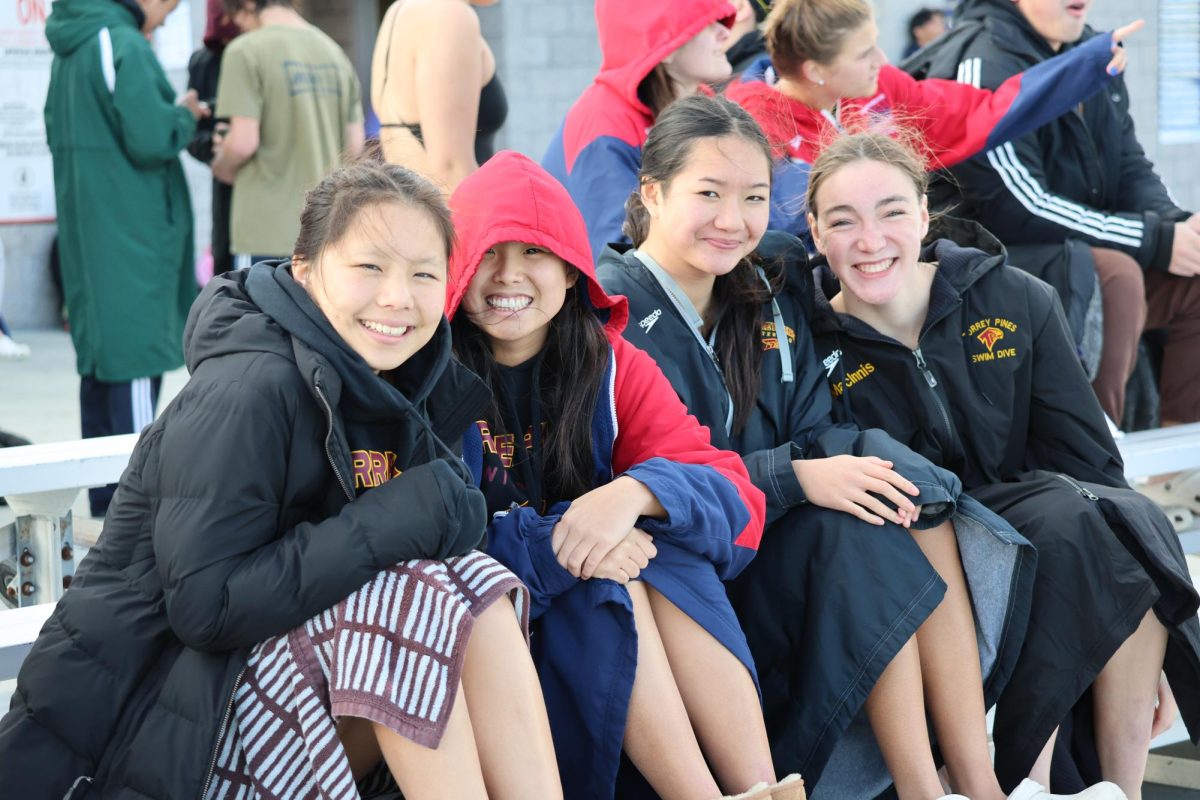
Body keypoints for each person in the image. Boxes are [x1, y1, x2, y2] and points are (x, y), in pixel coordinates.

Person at [0, 161, 565, 800]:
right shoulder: (250, 388)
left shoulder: (400, 377)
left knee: (477, 584)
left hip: (260, 710)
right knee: (412, 596)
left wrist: (425, 512)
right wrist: (398, 519)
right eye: (370, 267)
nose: (397, 297)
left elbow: (439, 520)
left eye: (424, 274)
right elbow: (204, 607)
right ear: (305, 268)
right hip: (158, 744)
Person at [594, 96, 1084, 800]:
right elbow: (658, 476)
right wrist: (794, 477)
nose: (732, 219)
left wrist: (868, 467)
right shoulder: (610, 317)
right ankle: (923, 789)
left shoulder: (766, 282)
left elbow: (813, 419)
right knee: (854, 537)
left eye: (754, 197)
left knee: (905, 496)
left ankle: (977, 785)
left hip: (777, 545)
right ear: (652, 192)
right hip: (695, 575)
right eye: (708, 193)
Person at [805, 130, 1200, 799]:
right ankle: (1029, 783)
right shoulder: (811, 343)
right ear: (815, 233)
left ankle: (1121, 787)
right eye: (843, 222)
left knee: (1123, 519)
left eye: (892, 212)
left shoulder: (1014, 299)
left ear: (925, 215)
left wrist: (1138, 611)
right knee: (1053, 527)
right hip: (914, 542)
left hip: (1033, 515)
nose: (870, 241)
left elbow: (1090, 461)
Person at [446, 150, 804, 800]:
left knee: (664, 543)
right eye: (488, 253)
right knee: (611, 576)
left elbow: (738, 503)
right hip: (495, 643)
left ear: (570, 266)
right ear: (455, 266)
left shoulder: (610, 364)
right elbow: (438, 553)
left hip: (614, 641)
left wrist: (635, 492)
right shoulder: (432, 374)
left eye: (533, 252)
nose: (509, 276)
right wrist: (570, 543)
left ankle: (762, 789)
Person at [903, 0, 1200, 437]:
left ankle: (1175, 466)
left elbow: (1130, 164)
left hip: (1070, 246)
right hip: (984, 260)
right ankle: (1097, 456)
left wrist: (1177, 228)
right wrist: (1152, 238)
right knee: (1113, 277)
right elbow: (1017, 203)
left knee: (1192, 275)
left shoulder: (1094, 53)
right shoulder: (983, 61)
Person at [723, 0, 1139, 240]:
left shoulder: (880, 87)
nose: (882, 60)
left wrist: (1088, 63)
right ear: (816, 69)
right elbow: (774, 224)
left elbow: (985, 112)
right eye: (864, 53)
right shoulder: (751, 119)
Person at [44, 0, 208, 517]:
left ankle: (104, 503)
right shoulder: (121, 43)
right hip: (131, 232)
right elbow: (150, 135)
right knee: (135, 368)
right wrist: (184, 114)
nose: (165, 18)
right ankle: (131, 517)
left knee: (101, 367)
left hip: (92, 228)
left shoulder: (72, 45)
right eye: (170, 7)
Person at [542, 0, 737, 257]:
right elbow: (616, 254)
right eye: (707, 23)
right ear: (664, 45)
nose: (725, 32)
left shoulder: (708, 106)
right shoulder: (604, 125)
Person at [213, 0, 365, 267]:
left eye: (235, 14)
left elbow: (241, 144)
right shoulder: (334, 53)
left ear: (247, 4)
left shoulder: (245, 51)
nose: (237, 24)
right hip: (325, 231)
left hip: (265, 232)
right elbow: (355, 148)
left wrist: (221, 164)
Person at [370, 0, 508, 195]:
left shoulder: (400, 10)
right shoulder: (450, 16)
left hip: (415, 209)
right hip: (449, 214)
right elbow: (450, 169)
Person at [187, 0, 241, 278]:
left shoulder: (261, 53)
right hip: (225, 185)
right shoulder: (204, 62)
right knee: (227, 270)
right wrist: (216, 143)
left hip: (270, 183)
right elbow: (191, 132)